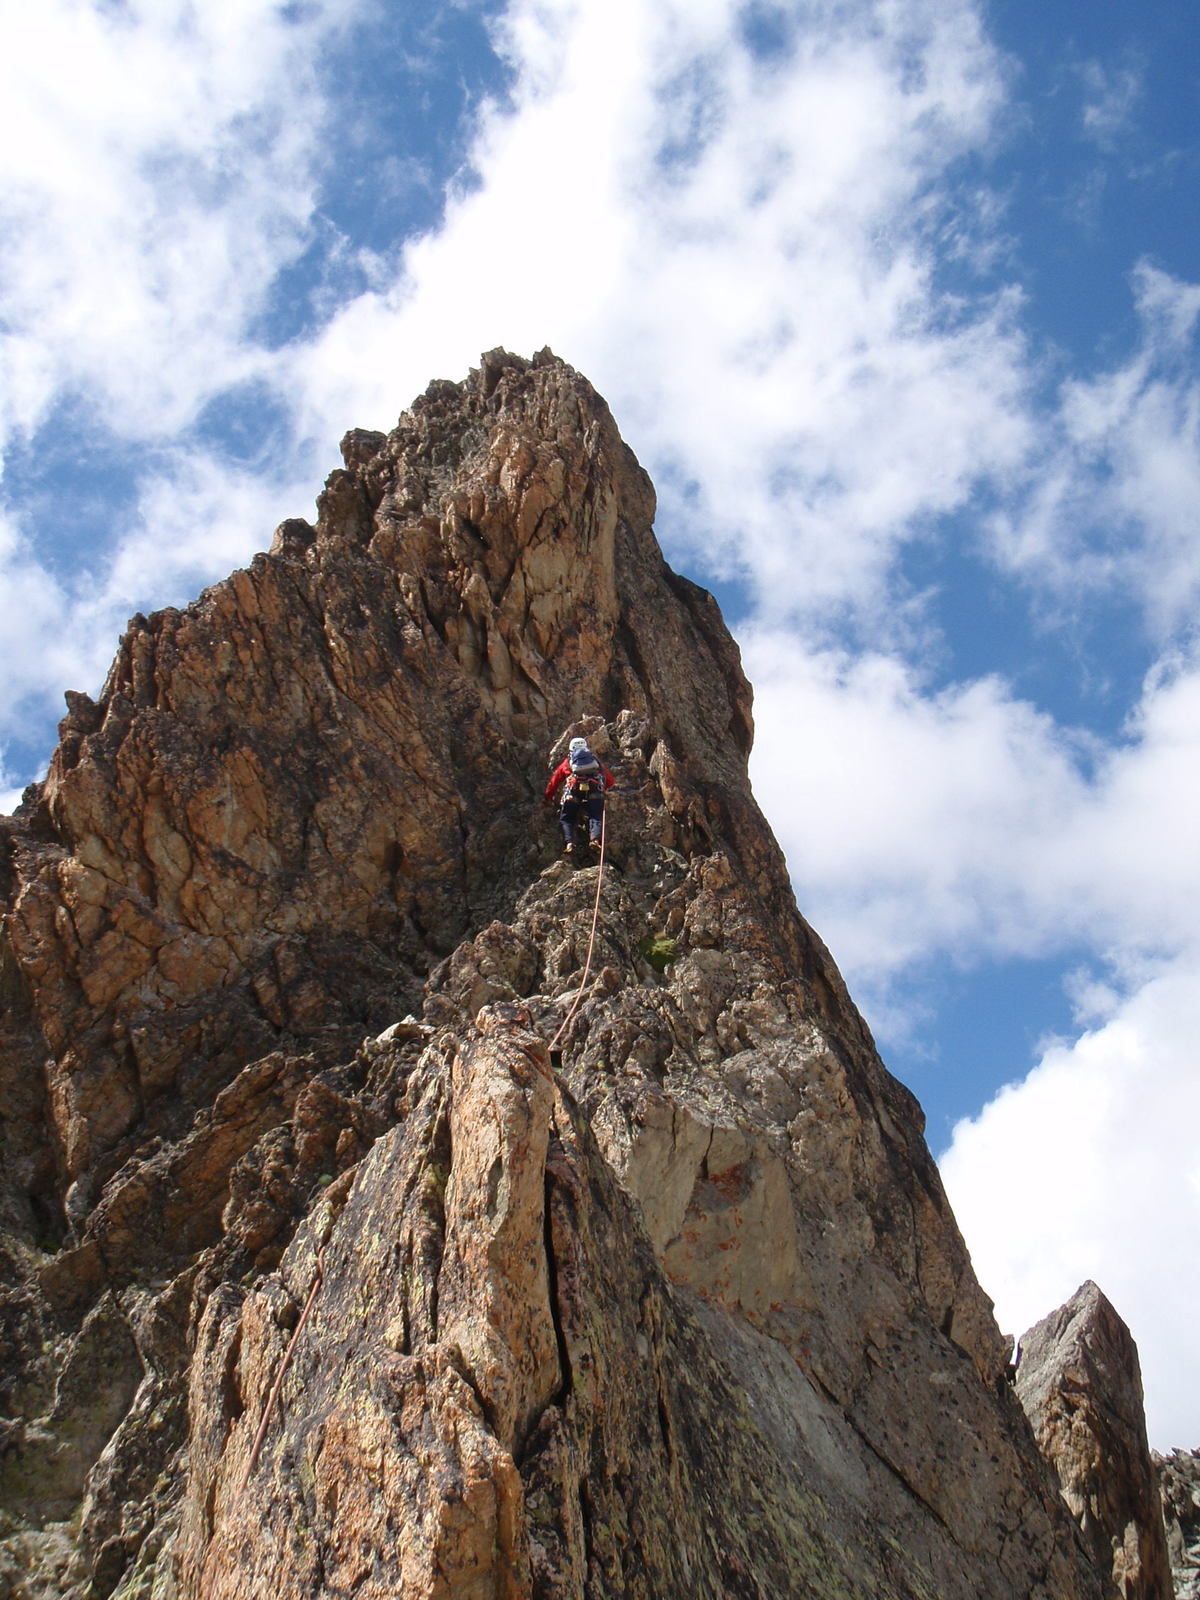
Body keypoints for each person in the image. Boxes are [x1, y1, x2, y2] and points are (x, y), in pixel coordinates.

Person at [544, 736, 615, 854]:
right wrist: (603, 791)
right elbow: (610, 780)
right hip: (594, 789)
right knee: (595, 815)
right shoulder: (594, 760)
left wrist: (548, 797)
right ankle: (595, 840)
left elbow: (554, 781)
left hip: (574, 790)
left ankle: (569, 843)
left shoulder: (568, 762)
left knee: (567, 818)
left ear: (571, 749)